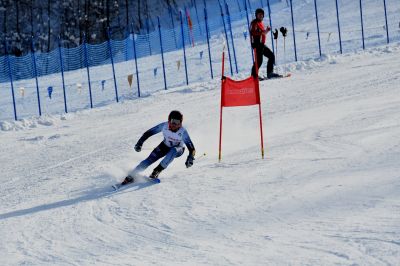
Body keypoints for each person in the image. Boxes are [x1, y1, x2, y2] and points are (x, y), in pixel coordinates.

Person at [121, 110, 196, 185]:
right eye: (173, 121)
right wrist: (139, 143)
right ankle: (132, 175)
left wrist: (190, 157)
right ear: (169, 121)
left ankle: (156, 171)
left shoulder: (183, 132)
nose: (175, 124)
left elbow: (192, 149)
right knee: (149, 160)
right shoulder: (164, 126)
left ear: (180, 123)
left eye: (177, 122)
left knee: (173, 150)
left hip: (178, 150)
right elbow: (148, 133)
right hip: (164, 146)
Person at [250, 8, 281, 79]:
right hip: (257, 44)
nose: (260, 16)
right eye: (259, 14)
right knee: (259, 61)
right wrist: (262, 32)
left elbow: (262, 34)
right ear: (256, 15)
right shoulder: (254, 23)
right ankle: (254, 76)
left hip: (261, 44)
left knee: (271, 56)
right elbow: (252, 32)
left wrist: (267, 30)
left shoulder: (261, 23)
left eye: (262, 14)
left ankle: (270, 73)